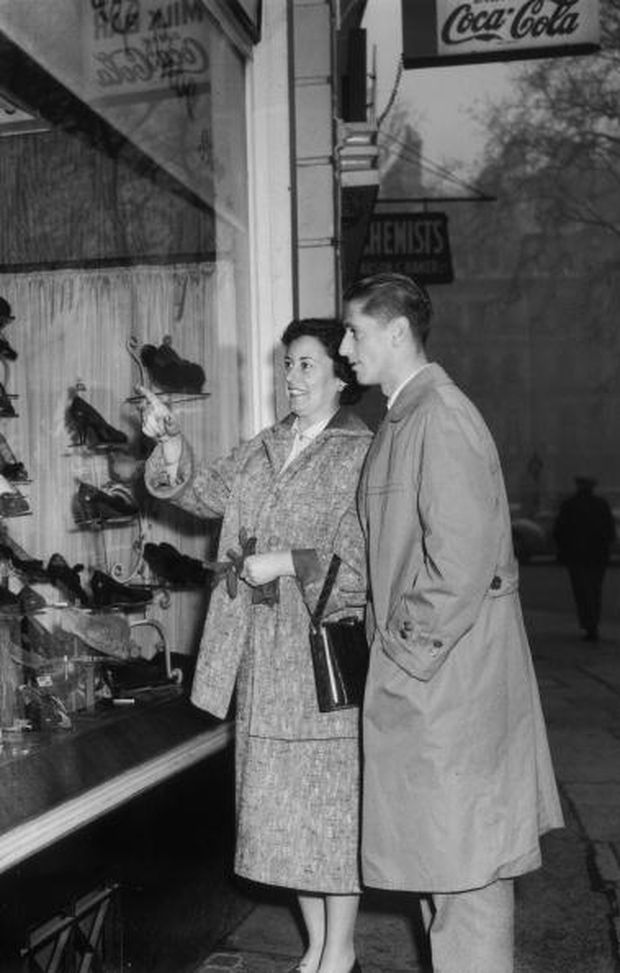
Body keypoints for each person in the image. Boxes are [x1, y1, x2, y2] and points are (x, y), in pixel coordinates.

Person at [339, 273, 564, 973]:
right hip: (436, 698)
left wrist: (400, 657)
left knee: (468, 887)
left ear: (398, 332)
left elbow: (461, 563)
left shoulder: (441, 416)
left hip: (448, 695)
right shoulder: (408, 417)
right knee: (445, 880)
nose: (346, 348)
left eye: (356, 332)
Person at [140, 318, 372, 973]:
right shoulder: (265, 446)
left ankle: (339, 948)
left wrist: (290, 561)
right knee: (283, 815)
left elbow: (367, 564)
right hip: (262, 661)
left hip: (322, 664)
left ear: (340, 375)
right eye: (288, 365)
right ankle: (318, 947)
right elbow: (194, 491)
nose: (290, 378)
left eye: (305, 365)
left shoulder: (362, 455)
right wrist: (172, 439)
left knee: (331, 814)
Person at [553, 476, 616, 642]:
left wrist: (563, 551)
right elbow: (610, 531)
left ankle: (588, 623)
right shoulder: (601, 505)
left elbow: (559, 531)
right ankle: (592, 623)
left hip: (577, 556)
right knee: (595, 591)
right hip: (597, 557)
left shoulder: (570, 505)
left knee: (582, 591)